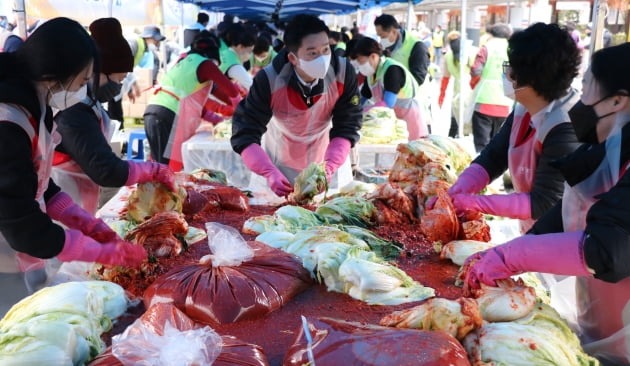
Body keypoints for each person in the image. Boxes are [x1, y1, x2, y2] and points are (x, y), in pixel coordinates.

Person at [464, 42, 630, 365]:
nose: (580, 101)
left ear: (617, 100)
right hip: (603, 330)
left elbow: (609, 248)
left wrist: (514, 255)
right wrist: (517, 249)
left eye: (587, 90)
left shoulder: (575, 132)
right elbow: (572, 207)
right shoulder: (609, 145)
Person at [0, 17, 146, 316]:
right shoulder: (7, 122)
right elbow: (23, 224)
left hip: (19, 251)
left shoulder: (35, 106)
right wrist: (94, 250)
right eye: (81, 82)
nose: (82, 91)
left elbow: (37, 180)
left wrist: (81, 219)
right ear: (54, 76)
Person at [445, 23, 582, 233]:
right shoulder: (524, 108)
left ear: (533, 78)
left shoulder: (567, 127)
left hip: (567, 240)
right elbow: (494, 156)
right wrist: (461, 187)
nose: (507, 73)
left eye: (512, 68)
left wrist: (477, 204)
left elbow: (544, 202)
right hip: (533, 234)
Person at [51, 18, 176, 215]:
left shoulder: (89, 102)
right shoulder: (72, 110)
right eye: (118, 79)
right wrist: (151, 170)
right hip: (61, 201)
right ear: (97, 72)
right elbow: (105, 170)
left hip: (79, 201)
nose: (119, 86)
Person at [230, 14, 362, 197]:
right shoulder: (269, 80)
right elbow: (245, 132)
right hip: (279, 162)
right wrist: (268, 172)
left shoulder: (343, 72)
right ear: (293, 58)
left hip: (327, 157)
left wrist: (330, 166)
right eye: (312, 53)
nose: (322, 58)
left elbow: (348, 124)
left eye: (325, 49)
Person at [144, 31, 240, 170]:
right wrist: (240, 106)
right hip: (167, 113)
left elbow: (203, 99)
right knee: (164, 169)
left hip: (154, 110)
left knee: (159, 164)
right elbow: (229, 88)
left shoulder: (185, 62)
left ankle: (155, 190)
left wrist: (217, 119)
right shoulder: (205, 64)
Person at [347, 36, 428, 140]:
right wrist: (351, 108)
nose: (358, 65)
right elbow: (362, 97)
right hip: (390, 124)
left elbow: (388, 103)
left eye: (359, 60)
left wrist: (364, 111)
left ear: (373, 56)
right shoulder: (371, 74)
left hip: (409, 121)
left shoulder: (392, 69)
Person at [374, 14, 432, 132]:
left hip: (414, 102)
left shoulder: (417, 47)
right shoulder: (387, 47)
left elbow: (418, 78)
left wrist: (393, 88)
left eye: (382, 36)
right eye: (379, 36)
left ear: (394, 32)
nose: (381, 40)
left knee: (418, 141)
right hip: (394, 105)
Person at [469, 23, 513, 152]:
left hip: (484, 99)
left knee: (482, 144)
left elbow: (476, 70)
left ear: (491, 33)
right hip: (506, 101)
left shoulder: (486, 47)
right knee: (498, 141)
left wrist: (475, 84)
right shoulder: (512, 49)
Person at [438, 31, 475, 138]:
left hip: (457, 94)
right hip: (472, 91)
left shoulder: (448, 56)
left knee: (455, 122)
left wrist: (442, 95)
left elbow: (445, 77)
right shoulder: (472, 51)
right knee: (470, 125)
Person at [219, 23, 256, 90]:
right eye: (249, 51)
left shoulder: (225, 52)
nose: (250, 55)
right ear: (240, 47)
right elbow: (253, 88)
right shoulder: (235, 66)